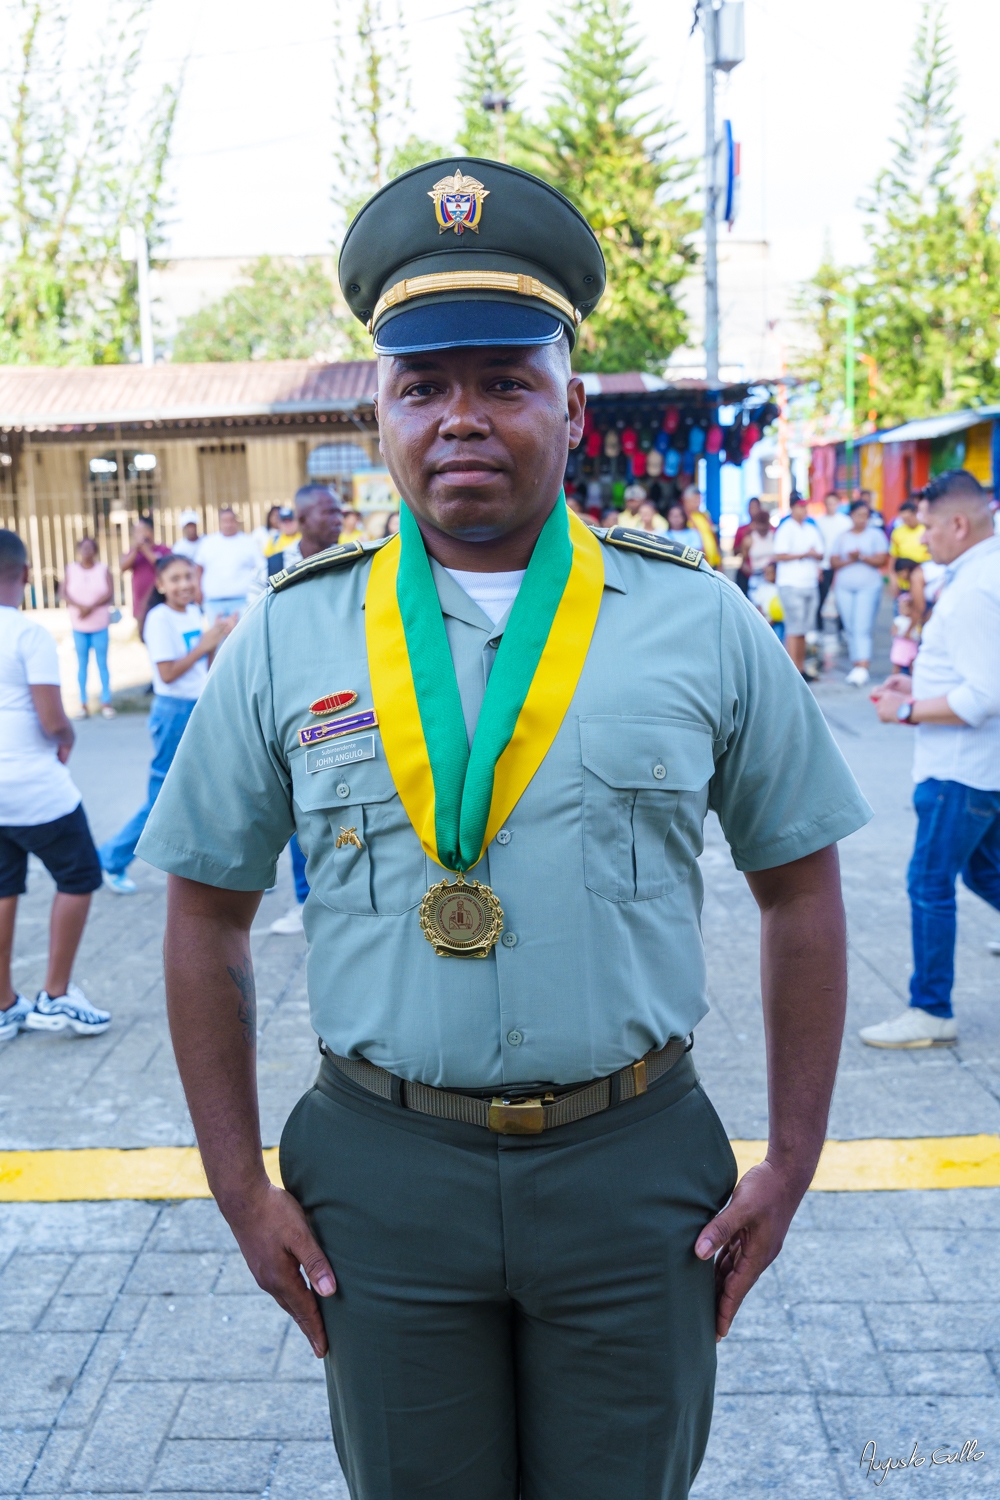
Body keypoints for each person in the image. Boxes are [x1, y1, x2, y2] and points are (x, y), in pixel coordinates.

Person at [136, 157, 870, 1500]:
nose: (461, 417)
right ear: (380, 414)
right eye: (423, 386)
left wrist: (798, 1156)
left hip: (635, 1167)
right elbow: (202, 914)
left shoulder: (700, 622)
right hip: (380, 1174)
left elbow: (801, 893)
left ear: (572, 408)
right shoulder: (291, 634)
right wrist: (242, 1186)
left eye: (503, 381)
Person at [864, 469, 1000, 1047]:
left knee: (930, 882)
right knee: (984, 870)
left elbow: (985, 694)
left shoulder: (974, 588)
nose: (921, 541)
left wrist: (907, 711)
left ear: (959, 523)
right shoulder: (981, 574)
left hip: (959, 771)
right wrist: (912, 688)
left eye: (927, 529)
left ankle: (931, 1009)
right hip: (975, 768)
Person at [0, 530, 111, 1041]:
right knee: (80, 874)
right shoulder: (27, 634)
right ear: (24, 576)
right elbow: (52, 720)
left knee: (3, 885)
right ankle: (56, 994)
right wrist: (66, 738)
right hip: (35, 785)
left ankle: (4, 1006)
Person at [99, 555, 235, 895]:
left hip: (197, 708)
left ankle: (217, 868)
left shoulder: (193, 612)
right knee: (162, 799)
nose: (184, 584)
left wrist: (220, 639)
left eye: (188, 576)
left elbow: (203, 667)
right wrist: (204, 643)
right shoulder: (159, 619)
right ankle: (112, 858)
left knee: (208, 789)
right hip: (173, 713)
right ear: (160, 586)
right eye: (174, 579)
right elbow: (168, 673)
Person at [266, 485, 345, 937]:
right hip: (299, 700)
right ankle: (304, 899)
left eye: (338, 510)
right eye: (326, 510)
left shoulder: (363, 561)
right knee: (303, 801)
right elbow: (258, 634)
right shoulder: (272, 569)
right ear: (300, 517)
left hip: (348, 693)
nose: (336, 517)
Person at [830, 499, 889, 686]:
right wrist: (851, 559)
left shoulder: (876, 535)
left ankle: (863, 666)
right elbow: (833, 561)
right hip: (845, 586)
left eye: (865, 516)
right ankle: (856, 664)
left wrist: (862, 557)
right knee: (850, 627)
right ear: (851, 516)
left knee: (862, 627)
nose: (862, 519)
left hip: (868, 585)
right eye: (858, 515)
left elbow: (882, 559)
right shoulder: (842, 537)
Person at [62, 537, 115, 720]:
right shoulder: (71, 569)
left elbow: (109, 592)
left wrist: (90, 607)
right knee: (82, 665)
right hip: (79, 624)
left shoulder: (103, 569)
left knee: (102, 664)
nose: (87, 551)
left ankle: (106, 702)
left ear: (95, 550)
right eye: (83, 548)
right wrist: (80, 607)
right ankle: (83, 703)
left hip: (99, 623)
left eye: (90, 548)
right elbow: (63, 593)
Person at [772, 493, 824, 676]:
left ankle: (800, 667)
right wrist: (804, 554)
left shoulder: (811, 528)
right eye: (800, 507)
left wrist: (811, 554)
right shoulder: (785, 528)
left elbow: (820, 553)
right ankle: (793, 669)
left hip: (809, 582)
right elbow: (779, 554)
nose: (803, 510)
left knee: (804, 629)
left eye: (805, 507)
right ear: (792, 508)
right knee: (794, 628)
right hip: (791, 583)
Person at [193, 506, 265, 622]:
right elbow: (198, 568)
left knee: (241, 637)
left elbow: (261, 568)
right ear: (219, 523)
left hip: (243, 600)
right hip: (213, 602)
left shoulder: (248, 542)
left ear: (236, 522)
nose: (228, 524)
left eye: (231, 520)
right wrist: (197, 589)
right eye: (225, 521)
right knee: (216, 638)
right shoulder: (208, 542)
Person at [120, 516, 170, 636]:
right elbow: (123, 567)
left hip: (161, 604)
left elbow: (161, 565)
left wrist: (145, 549)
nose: (136, 534)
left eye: (139, 530)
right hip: (141, 606)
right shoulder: (133, 551)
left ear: (149, 531)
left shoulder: (163, 549)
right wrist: (136, 551)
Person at [815, 490, 851, 619]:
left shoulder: (846, 522)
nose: (831, 506)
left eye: (833, 503)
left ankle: (842, 629)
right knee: (821, 597)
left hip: (841, 565)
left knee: (842, 598)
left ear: (838, 504)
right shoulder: (819, 522)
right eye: (828, 503)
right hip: (824, 565)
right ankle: (820, 629)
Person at [889, 498, 931, 601]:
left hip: (925, 579)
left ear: (916, 514)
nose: (906, 522)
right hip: (904, 582)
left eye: (908, 518)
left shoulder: (926, 529)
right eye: (903, 519)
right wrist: (893, 579)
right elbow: (893, 558)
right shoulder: (898, 532)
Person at [740, 508, 776, 606]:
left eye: (765, 525)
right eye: (761, 524)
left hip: (772, 579)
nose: (763, 528)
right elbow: (743, 562)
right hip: (756, 578)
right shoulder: (749, 539)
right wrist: (751, 570)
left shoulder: (774, 536)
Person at [681, 485, 722, 569]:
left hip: (712, 562)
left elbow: (713, 536)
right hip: (696, 564)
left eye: (699, 500)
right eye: (694, 500)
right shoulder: (682, 517)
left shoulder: (705, 515)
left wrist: (719, 561)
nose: (698, 503)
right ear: (685, 500)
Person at [732, 498, 764, 595]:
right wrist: (744, 545)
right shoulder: (742, 530)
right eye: (750, 508)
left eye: (755, 507)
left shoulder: (768, 529)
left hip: (763, 573)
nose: (753, 510)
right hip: (746, 571)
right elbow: (735, 552)